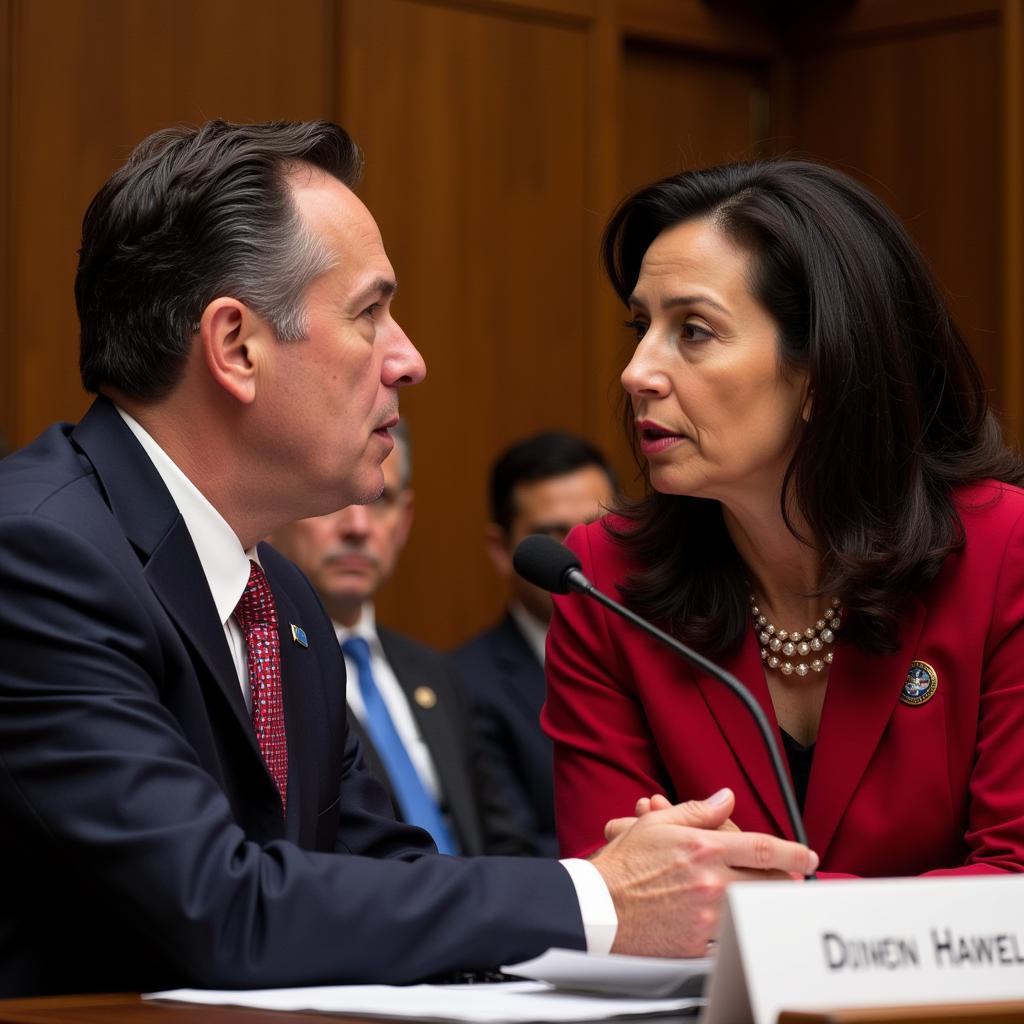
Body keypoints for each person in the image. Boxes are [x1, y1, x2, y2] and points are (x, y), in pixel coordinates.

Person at [0, 121, 818, 998]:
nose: (410, 359)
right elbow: (216, 907)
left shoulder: (281, 600)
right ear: (236, 345)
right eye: (369, 313)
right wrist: (599, 896)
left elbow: (383, 875)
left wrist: (638, 885)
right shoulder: (38, 556)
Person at [544, 159, 1024, 877]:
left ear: (823, 372)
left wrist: (770, 903)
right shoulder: (603, 580)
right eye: (642, 326)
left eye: (694, 330)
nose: (637, 371)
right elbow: (618, 885)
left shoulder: (1002, 551)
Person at [269, 422, 525, 856]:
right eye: (335, 497)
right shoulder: (263, 670)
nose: (358, 526)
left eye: (379, 500)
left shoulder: (434, 672)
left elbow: (504, 842)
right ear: (279, 510)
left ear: (404, 521)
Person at [453, 432, 615, 855]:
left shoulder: (665, 651)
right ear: (502, 550)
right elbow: (511, 847)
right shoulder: (465, 683)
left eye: (597, 527)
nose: (581, 551)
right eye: (554, 534)